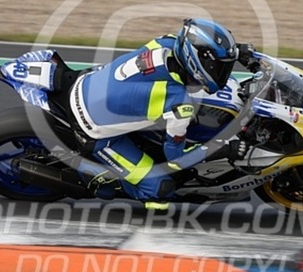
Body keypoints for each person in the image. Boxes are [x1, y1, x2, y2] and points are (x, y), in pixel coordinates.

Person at [68, 18, 250, 209]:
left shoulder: (168, 42)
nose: (223, 72)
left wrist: (239, 52)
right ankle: (94, 176)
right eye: (219, 67)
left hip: (90, 84)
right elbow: (176, 158)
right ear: (198, 62)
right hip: (92, 127)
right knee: (161, 188)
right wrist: (222, 149)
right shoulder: (177, 100)